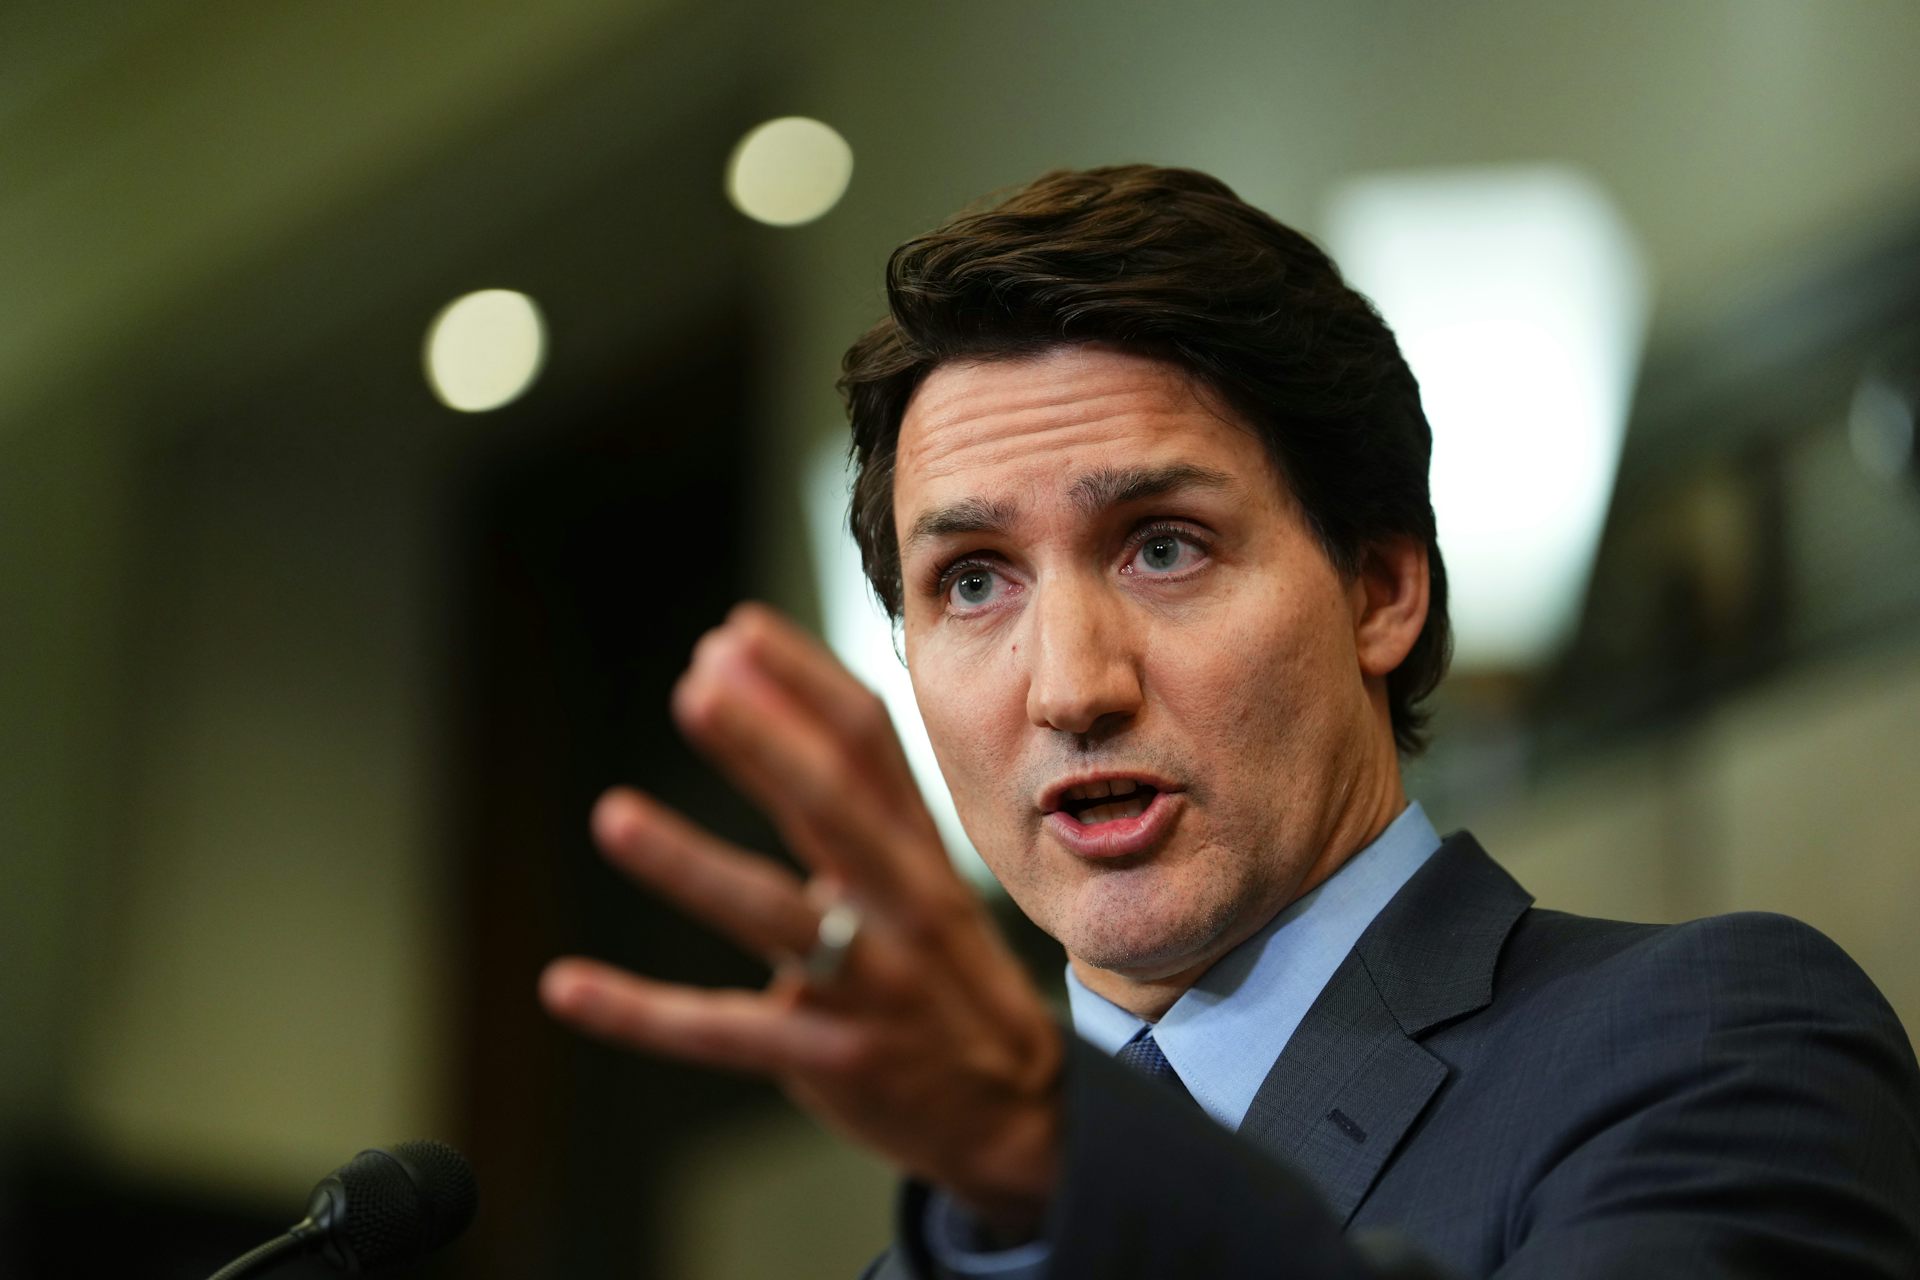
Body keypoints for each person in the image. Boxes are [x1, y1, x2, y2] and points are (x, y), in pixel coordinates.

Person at [539, 166, 1920, 1277]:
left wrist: (1056, 1147)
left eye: (1163, 547)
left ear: (1379, 589)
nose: (1070, 686)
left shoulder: (1712, 1045)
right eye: (972, 582)